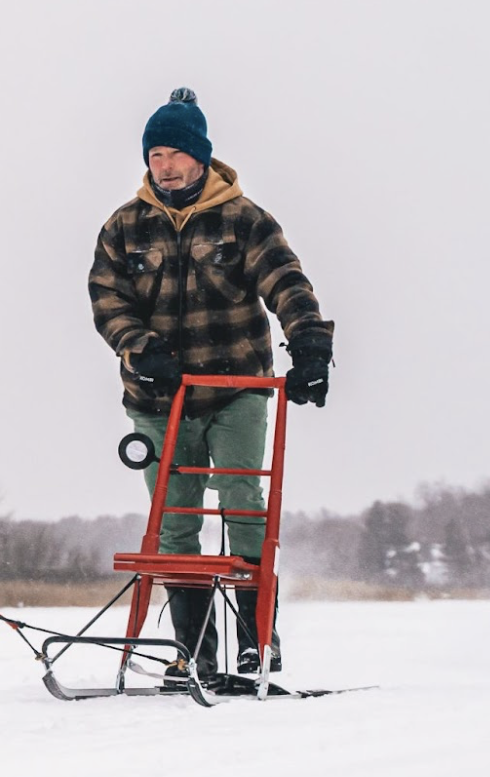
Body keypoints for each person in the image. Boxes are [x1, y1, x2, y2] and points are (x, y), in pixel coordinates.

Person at [88, 88, 334, 683]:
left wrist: (308, 345)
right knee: (174, 521)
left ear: (200, 157)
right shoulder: (125, 226)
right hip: (158, 396)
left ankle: (256, 642)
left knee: (245, 505)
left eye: (175, 154)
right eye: (155, 156)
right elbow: (106, 299)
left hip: (234, 388)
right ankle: (193, 649)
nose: (164, 166)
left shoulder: (243, 219)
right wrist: (140, 349)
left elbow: (286, 281)